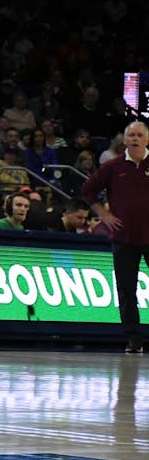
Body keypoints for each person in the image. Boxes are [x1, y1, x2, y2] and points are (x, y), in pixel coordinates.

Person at [82, 120, 149, 354]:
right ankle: (134, 339)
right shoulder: (113, 166)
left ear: (147, 140)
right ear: (124, 139)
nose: (135, 139)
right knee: (126, 291)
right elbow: (88, 190)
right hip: (124, 238)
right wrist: (104, 214)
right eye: (131, 135)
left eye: (140, 135)